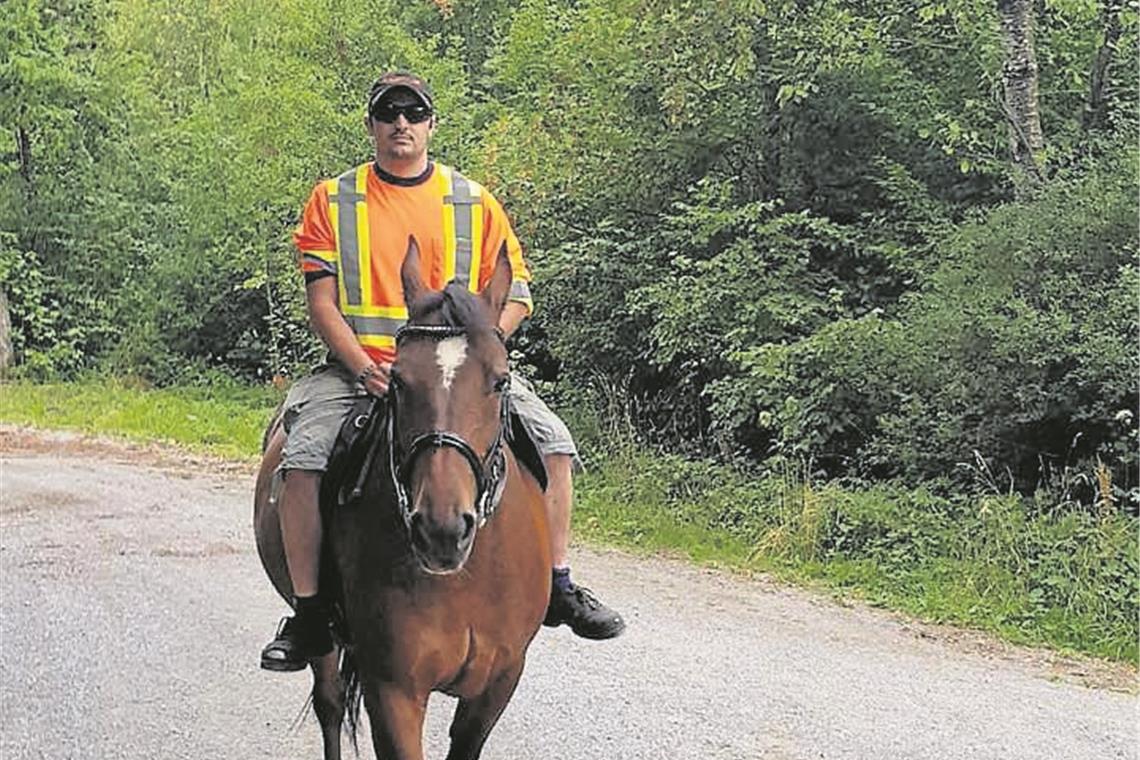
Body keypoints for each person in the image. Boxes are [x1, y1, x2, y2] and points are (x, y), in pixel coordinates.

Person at [261, 71, 625, 672]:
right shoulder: (333, 200)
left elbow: (516, 294)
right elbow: (321, 304)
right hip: (364, 368)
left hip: (462, 373)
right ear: (371, 125)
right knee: (302, 462)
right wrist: (363, 366)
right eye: (388, 112)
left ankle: (558, 583)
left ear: (431, 124)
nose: (400, 123)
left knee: (555, 444)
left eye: (413, 112)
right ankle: (308, 614)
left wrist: (485, 350)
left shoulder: (475, 202)